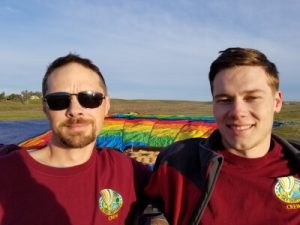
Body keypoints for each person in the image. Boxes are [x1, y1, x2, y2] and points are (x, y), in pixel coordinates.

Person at [143, 47, 300, 225]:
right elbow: (151, 206)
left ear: (276, 102)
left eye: (252, 98)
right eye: (225, 100)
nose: (237, 112)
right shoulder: (176, 163)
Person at [0, 54, 151, 225]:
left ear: (106, 105)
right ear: (45, 108)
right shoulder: (6, 173)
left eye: (90, 98)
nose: (75, 110)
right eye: (59, 100)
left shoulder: (128, 171)